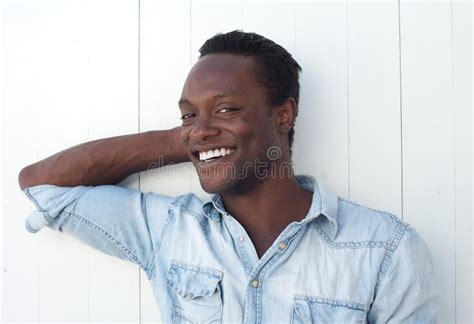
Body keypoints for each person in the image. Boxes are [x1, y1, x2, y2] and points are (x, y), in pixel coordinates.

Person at [19, 30, 438, 323]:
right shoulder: (169, 231)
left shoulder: (385, 250)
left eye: (227, 108)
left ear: (284, 114)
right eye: (188, 113)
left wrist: (206, 134)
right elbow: (42, 185)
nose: (199, 126)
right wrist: (191, 138)